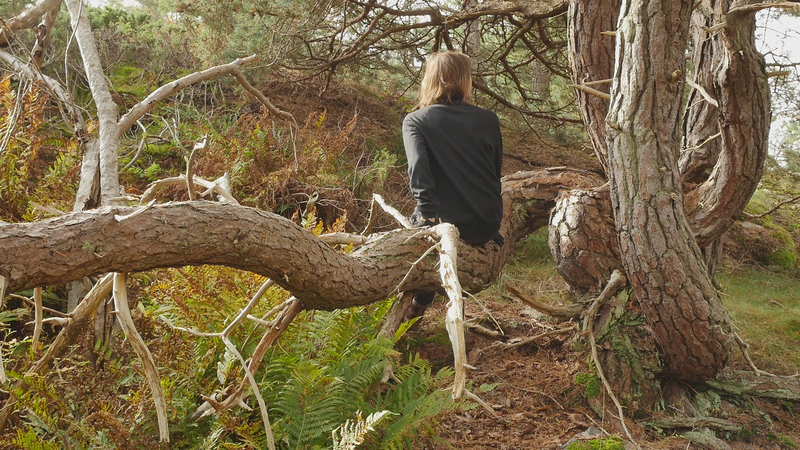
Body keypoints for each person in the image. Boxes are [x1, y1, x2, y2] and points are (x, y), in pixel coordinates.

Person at [401, 51, 504, 323]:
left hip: (450, 225)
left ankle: (417, 305)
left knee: (414, 232)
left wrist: (425, 217)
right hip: (487, 224)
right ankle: (423, 299)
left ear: (430, 80)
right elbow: (494, 172)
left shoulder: (415, 120)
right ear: (465, 80)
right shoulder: (489, 119)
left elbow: (418, 169)